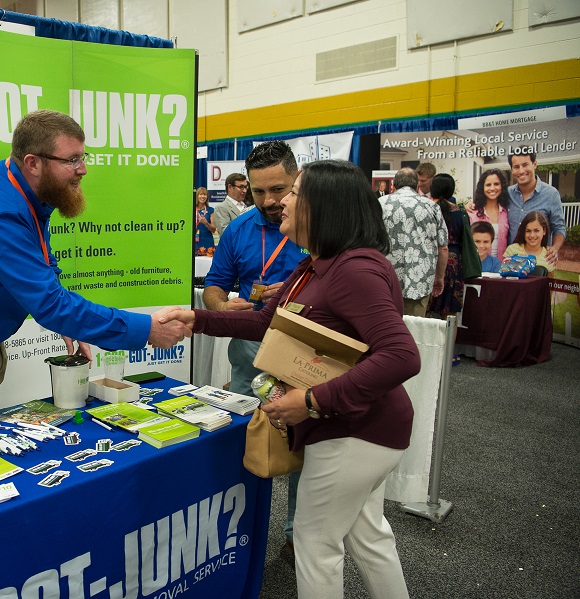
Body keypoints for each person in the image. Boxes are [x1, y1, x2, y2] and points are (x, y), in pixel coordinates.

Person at [163, 160, 419, 598]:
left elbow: (401, 355)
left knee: (315, 543)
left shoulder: (354, 270)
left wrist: (313, 401)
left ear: (324, 207)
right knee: (368, 537)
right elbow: (266, 322)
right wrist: (196, 319)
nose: (281, 202)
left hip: (354, 432)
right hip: (362, 429)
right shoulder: (315, 266)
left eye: (294, 193)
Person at [0, 110, 190, 416]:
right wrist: (145, 329)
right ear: (33, 163)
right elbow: (51, 305)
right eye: (71, 160)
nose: (83, 169)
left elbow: (42, 265)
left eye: (83, 157)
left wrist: (72, 324)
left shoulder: (13, 186)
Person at [202, 140, 307, 552]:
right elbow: (213, 287)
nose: (269, 200)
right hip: (250, 362)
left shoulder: (318, 226)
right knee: (245, 446)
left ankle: (297, 537)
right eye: (259, 191)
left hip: (304, 362)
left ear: (297, 179)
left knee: (305, 450)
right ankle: (236, 537)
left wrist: (296, 292)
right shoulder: (240, 230)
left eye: (278, 190)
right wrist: (223, 305)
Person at [379, 167, 449, 317]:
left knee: (384, 326)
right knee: (415, 330)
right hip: (420, 280)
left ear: (393, 185)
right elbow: (443, 247)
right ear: (417, 187)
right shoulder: (432, 207)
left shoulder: (379, 204)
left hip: (384, 278)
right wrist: (439, 278)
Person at [427, 174, 480, 320]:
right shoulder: (461, 212)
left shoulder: (428, 210)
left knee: (425, 312)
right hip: (454, 265)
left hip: (431, 262)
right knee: (450, 316)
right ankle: (449, 344)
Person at [506, 151, 565, 269]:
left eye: (525, 165)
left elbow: (559, 227)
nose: (521, 171)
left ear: (534, 164)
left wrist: (554, 248)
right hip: (511, 262)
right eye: (516, 167)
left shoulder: (551, 194)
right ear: (512, 170)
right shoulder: (507, 194)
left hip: (539, 263)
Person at [467, 169, 510, 262]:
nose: (492, 188)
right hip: (478, 265)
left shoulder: (506, 212)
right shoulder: (472, 213)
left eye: (496, 184)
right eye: (488, 185)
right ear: (482, 187)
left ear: (502, 186)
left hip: (501, 266)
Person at [194, 187, 216, 255]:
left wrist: (206, 224)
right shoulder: (191, 209)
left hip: (207, 241)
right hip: (194, 241)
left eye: (205, 194)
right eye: (200, 194)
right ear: (197, 196)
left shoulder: (210, 210)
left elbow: (213, 229)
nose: (203, 196)